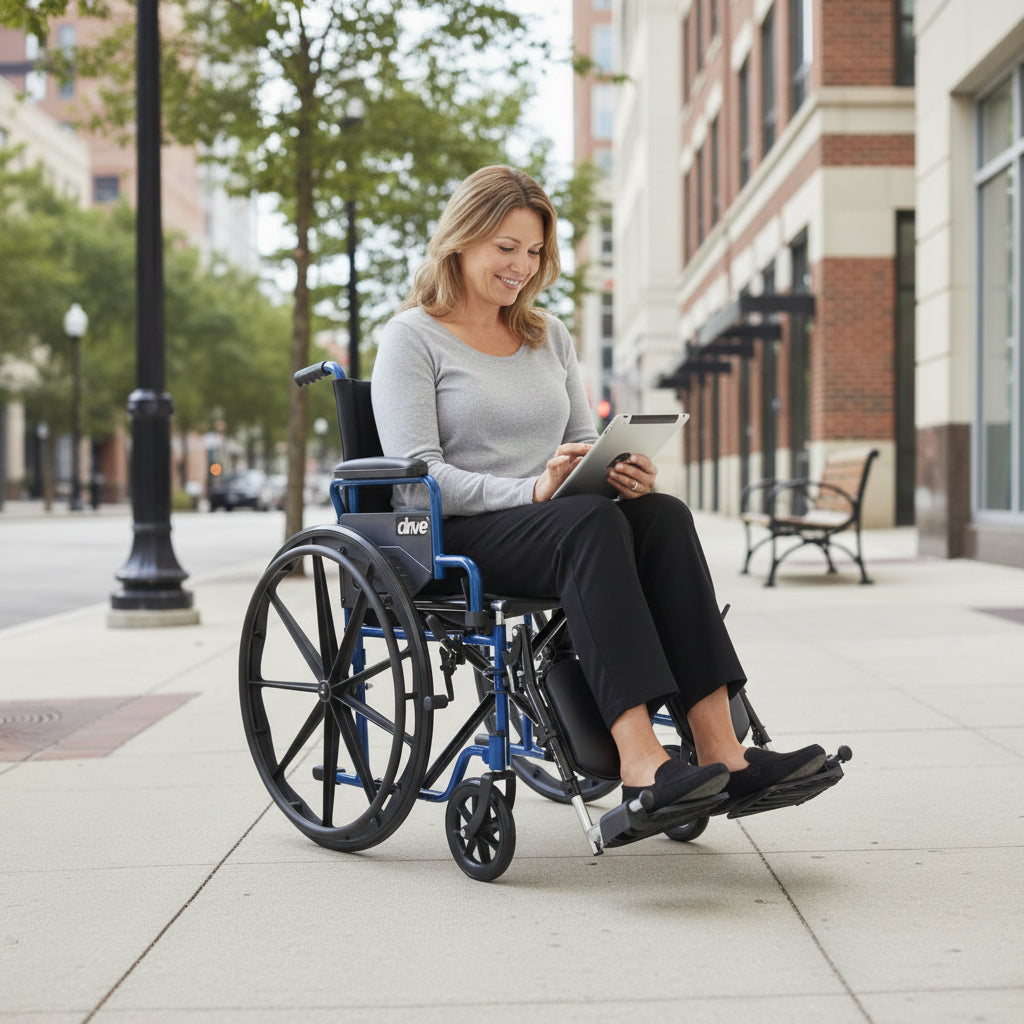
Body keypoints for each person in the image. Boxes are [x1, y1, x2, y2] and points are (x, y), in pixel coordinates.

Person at [372, 165, 825, 815]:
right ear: (460, 240)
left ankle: (723, 752)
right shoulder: (413, 338)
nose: (522, 267)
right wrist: (532, 491)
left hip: (564, 519)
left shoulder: (546, 335)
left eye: (534, 252)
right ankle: (642, 762)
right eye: (506, 248)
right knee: (589, 523)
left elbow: (584, 439)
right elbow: (419, 475)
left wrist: (620, 473)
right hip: (465, 532)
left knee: (660, 514)